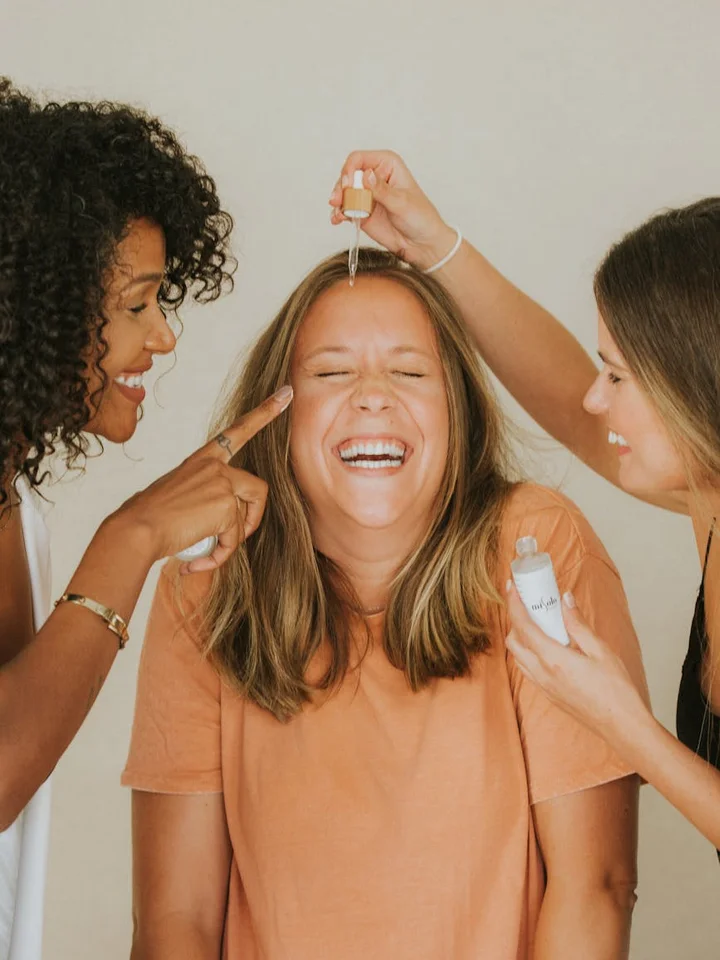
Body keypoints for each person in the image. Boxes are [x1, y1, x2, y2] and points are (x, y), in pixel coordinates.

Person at [123, 248, 647, 960]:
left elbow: (597, 885)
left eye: (408, 372)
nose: (372, 396)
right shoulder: (208, 581)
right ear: (276, 413)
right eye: (332, 373)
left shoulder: (535, 548)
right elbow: (175, 919)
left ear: (457, 408)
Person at [328, 151, 720, 855]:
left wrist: (622, 724)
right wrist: (434, 246)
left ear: (697, 387)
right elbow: (576, 411)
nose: (597, 397)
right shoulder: (709, 498)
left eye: (617, 376)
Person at [0, 78, 291, 960]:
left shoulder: (17, 508)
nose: (161, 338)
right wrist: (132, 538)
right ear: (29, 309)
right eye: (134, 305)